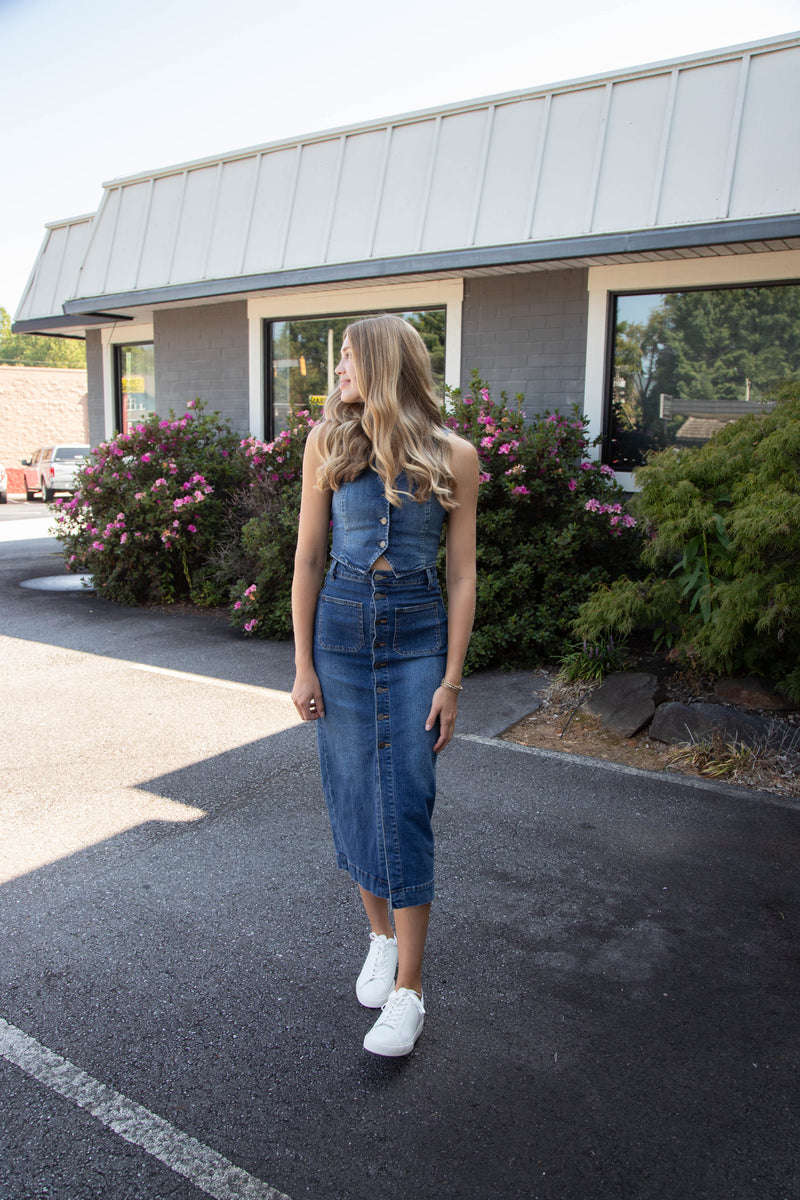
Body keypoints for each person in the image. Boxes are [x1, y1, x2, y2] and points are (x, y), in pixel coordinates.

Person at [291, 313, 478, 1057]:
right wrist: (302, 664)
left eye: (345, 357)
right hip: (337, 629)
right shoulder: (326, 443)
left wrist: (453, 679)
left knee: (404, 799)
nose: (336, 368)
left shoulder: (455, 456)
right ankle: (378, 937)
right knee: (349, 788)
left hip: (414, 635)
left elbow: (462, 574)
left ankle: (410, 988)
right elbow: (307, 559)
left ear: (381, 363)